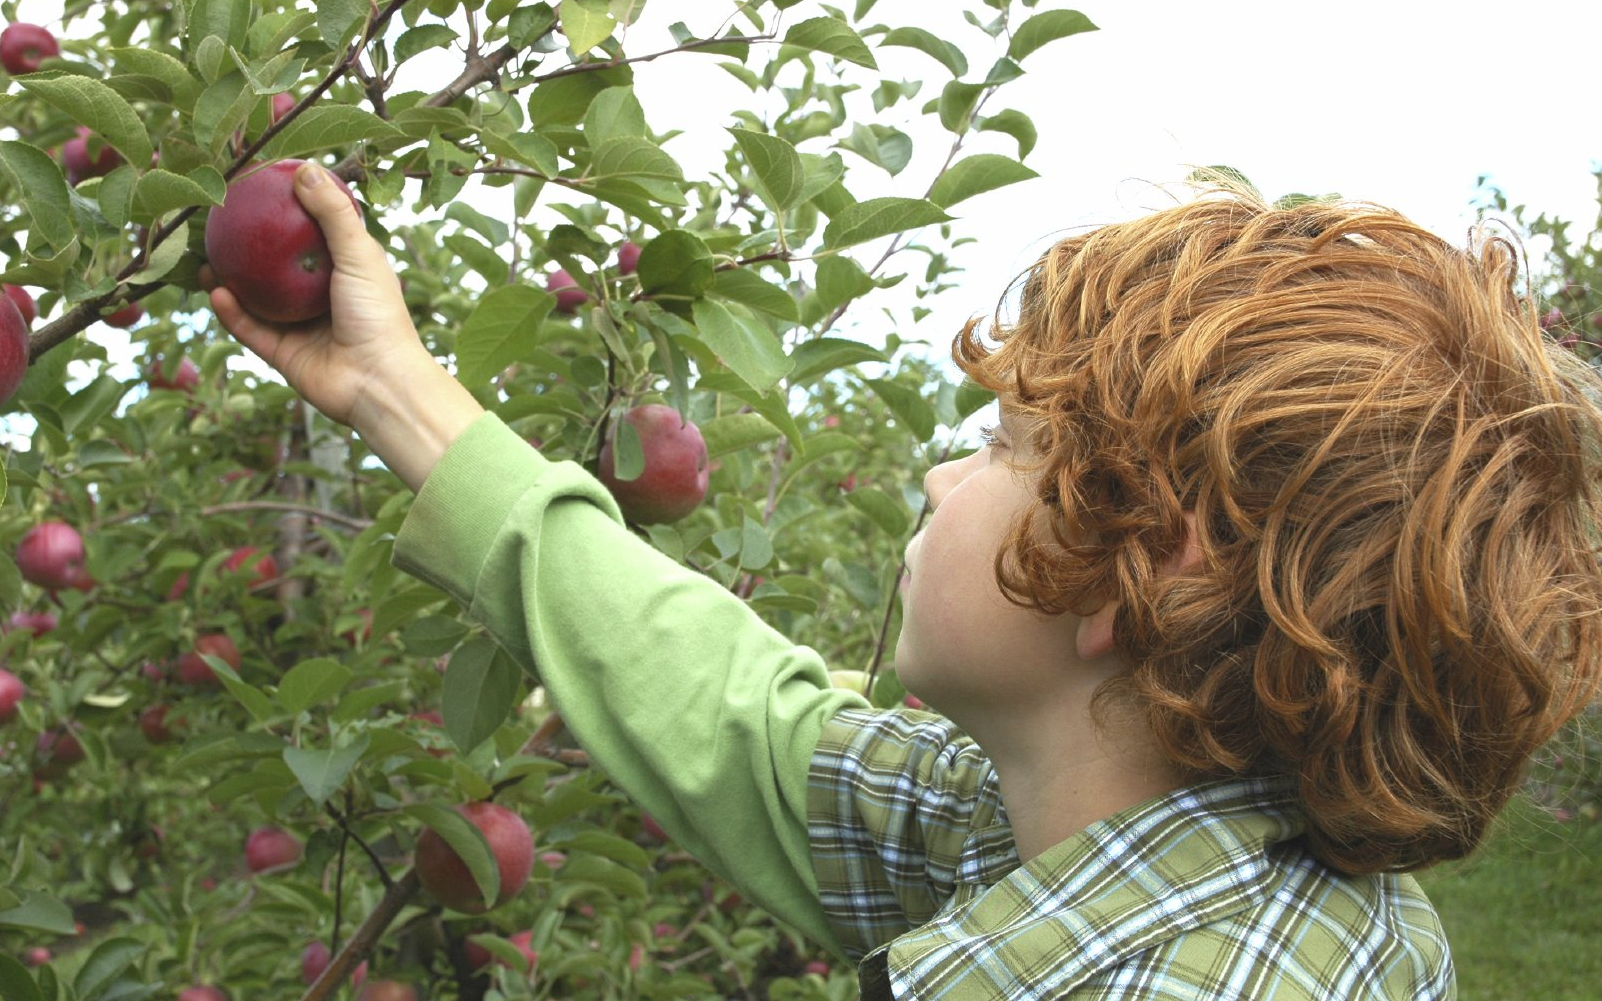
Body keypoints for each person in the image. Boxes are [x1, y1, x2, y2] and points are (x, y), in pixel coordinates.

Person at [208, 161, 1602, 1000]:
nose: (939, 478)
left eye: (1002, 446)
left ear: (1147, 559)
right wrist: (396, 390)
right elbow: (740, 717)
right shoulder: (1086, 831)